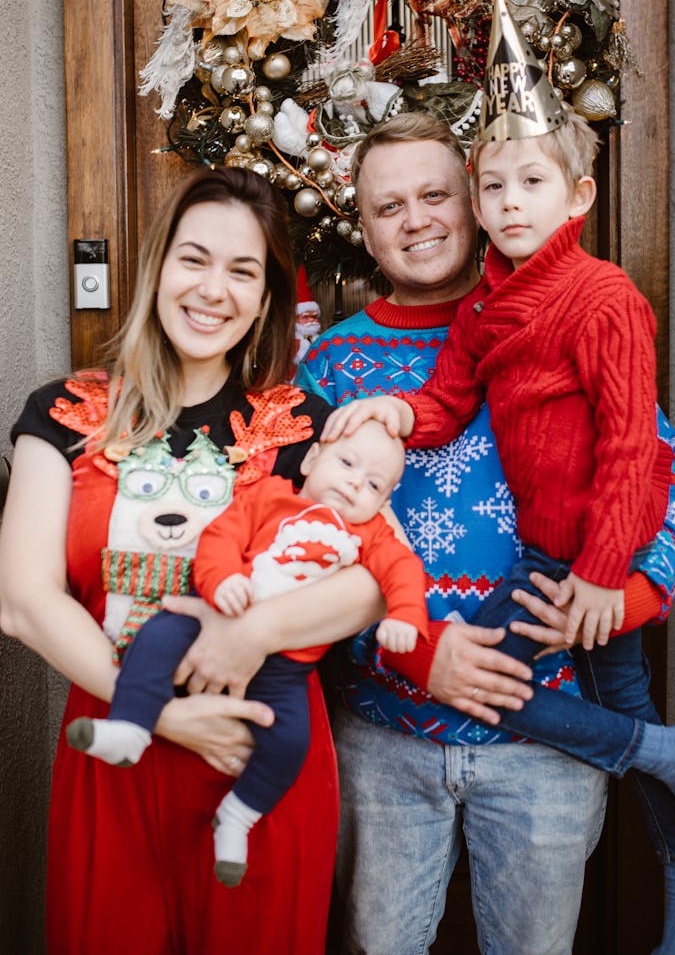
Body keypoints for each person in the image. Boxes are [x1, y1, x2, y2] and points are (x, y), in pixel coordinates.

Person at [297, 108, 675, 953]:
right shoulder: (328, 367)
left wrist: (622, 596)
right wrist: (415, 652)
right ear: (363, 225)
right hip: (386, 736)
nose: (417, 219)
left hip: (548, 735)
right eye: (389, 207)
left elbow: (669, 475)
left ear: (475, 201)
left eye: (435, 194)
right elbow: (294, 544)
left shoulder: (571, 311)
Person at [0, 166, 386, 955]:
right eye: (194, 258)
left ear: (268, 298)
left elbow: (376, 576)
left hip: (258, 751)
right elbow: (23, 601)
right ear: (157, 268)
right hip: (114, 747)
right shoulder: (64, 411)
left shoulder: (303, 427)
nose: (213, 289)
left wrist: (257, 630)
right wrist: (163, 715)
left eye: (243, 271)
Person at [66, 419, 428, 888]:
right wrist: (223, 580)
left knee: (290, 742)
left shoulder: (371, 533)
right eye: (346, 463)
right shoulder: (270, 496)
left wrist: (404, 617)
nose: (356, 481)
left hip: (287, 667)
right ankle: (131, 728)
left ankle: (237, 816)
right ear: (313, 459)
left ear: (384, 501)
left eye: (374, 484)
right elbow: (221, 537)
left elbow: (403, 569)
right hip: (214, 618)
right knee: (155, 638)